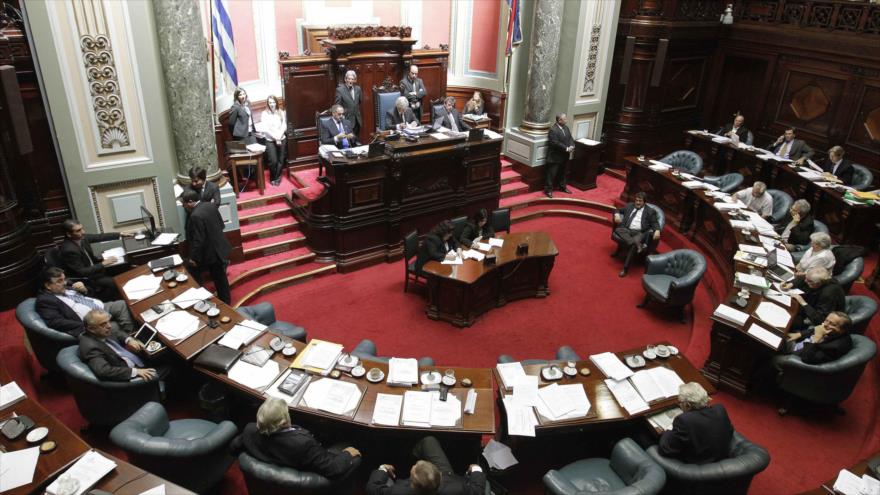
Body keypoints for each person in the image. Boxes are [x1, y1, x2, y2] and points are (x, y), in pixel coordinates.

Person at [232, 397, 361, 479]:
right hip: (307, 466)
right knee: (349, 442)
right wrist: (347, 454)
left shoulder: (249, 430)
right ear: (284, 423)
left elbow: (234, 447)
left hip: (282, 458)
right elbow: (333, 469)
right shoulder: (303, 444)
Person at [366, 436, 486, 495]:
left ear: (412, 484)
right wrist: (476, 469)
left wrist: (382, 468)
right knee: (429, 441)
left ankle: (407, 452)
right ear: (439, 475)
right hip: (448, 478)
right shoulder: (458, 489)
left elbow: (372, 488)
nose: (414, 466)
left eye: (414, 470)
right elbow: (478, 490)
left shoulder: (398, 491)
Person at [35, 267, 134, 337]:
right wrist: (88, 325)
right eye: (59, 281)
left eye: (64, 279)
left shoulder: (65, 286)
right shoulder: (45, 300)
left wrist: (85, 290)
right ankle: (128, 342)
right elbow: (56, 322)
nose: (64, 283)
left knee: (121, 304)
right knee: (114, 327)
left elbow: (91, 293)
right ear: (48, 285)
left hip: (100, 307)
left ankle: (131, 334)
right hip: (90, 321)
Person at [658, 382, 733, 464]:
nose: (679, 405)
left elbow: (666, 449)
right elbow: (730, 430)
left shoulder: (684, 420)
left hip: (699, 463)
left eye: (680, 403)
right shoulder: (720, 409)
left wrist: (666, 432)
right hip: (722, 456)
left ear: (688, 405)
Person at [78, 309, 158, 382]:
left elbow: (117, 332)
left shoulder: (100, 332)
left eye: (108, 321)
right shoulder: (90, 347)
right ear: (91, 329)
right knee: (168, 365)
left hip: (135, 359)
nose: (109, 326)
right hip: (130, 375)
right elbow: (104, 371)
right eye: (103, 324)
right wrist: (136, 372)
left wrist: (129, 340)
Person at [181, 189, 232, 304]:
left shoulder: (195, 215)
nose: (184, 206)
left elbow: (198, 240)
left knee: (194, 273)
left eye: (184, 204)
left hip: (210, 253)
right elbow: (221, 225)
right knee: (220, 278)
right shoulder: (210, 205)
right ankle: (226, 301)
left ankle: (203, 300)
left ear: (190, 202)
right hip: (219, 247)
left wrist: (193, 258)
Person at [59, 218, 128, 301]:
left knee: (125, 267)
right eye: (78, 230)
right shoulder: (69, 250)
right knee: (115, 282)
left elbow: (99, 237)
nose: (83, 232)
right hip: (89, 278)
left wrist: (120, 234)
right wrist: (103, 264)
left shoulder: (81, 238)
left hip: (95, 269)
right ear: (69, 234)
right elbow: (82, 272)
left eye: (82, 228)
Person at [612, 192, 661, 278]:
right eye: (636, 200)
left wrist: (657, 230)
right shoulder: (630, 205)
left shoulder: (650, 211)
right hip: (626, 230)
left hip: (640, 232)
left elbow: (655, 223)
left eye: (640, 201)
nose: (637, 203)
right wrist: (616, 215)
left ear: (644, 202)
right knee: (618, 230)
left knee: (633, 246)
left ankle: (625, 269)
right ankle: (638, 245)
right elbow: (618, 210)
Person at [783, 266, 845, 332]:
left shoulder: (828, 294)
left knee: (788, 319)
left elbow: (820, 320)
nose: (805, 281)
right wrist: (790, 284)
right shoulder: (823, 278)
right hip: (811, 303)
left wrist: (803, 302)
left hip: (815, 316)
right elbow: (803, 278)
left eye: (809, 281)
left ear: (818, 283)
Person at [784, 311, 853, 365]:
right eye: (826, 320)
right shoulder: (832, 330)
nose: (825, 324)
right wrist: (799, 334)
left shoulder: (835, 347)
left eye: (833, 324)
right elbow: (817, 328)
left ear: (842, 330)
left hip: (800, 353)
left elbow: (807, 358)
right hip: (801, 341)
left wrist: (817, 338)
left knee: (775, 354)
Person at [545, 113, 574, 198]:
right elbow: (555, 143)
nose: (566, 120)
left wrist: (572, 145)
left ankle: (562, 187)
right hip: (555, 157)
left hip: (564, 156)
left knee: (563, 173)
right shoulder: (553, 130)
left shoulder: (566, 127)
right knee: (551, 174)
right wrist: (567, 148)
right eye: (565, 119)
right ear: (559, 120)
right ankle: (548, 190)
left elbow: (570, 138)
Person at [260, 95, 287, 186]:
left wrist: (279, 136)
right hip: (270, 140)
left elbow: (284, 125)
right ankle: (273, 177)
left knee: (281, 160)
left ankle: (278, 178)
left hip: (281, 138)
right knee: (273, 161)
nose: (272, 104)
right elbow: (265, 128)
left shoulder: (281, 112)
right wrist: (275, 137)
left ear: (276, 103)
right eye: (270, 102)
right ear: (268, 103)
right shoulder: (264, 113)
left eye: (273, 102)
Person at [335, 70, 363, 137]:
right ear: (345, 79)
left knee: (356, 138)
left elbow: (359, 102)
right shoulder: (340, 90)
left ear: (355, 80)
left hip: (357, 120)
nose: (350, 81)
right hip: (347, 119)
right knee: (349, 141)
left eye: (352, 79)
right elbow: (337, 105)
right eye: (349, 79)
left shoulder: (358, 89)